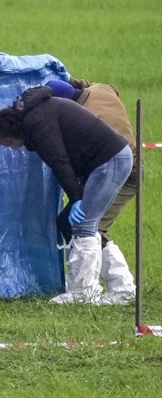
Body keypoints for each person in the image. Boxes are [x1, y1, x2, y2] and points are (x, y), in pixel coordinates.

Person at [0, 86, 133, 304]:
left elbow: (59, 161)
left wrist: (76, 197)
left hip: (110, 161)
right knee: (67, 221)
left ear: (11, 131)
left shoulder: (36, 122)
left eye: (8, 143)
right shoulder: (33, 114)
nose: (12, 148)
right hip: (106, 160)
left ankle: (83, 292)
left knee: (84, 224)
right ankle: (123, 287)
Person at [44, 79, 136, 304]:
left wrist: (76, 192)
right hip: (120, 165)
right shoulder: (101, 89)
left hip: (120, 171)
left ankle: (115, 288)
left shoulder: (82, 118)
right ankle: (91, 284)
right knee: (68, 221)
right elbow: (108, 86)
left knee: (90, 225)